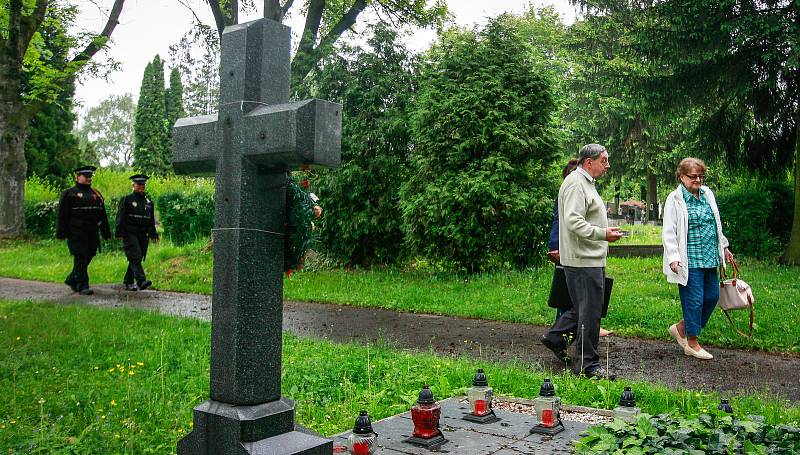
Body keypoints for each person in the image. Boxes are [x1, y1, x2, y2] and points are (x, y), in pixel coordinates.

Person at [541, 144, 623, 379]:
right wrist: (602, 234)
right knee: (590, 313)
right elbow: (574, 221)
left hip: (587, 257)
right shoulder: (577, 183)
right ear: (589, 162)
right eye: (604, 161)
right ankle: (588, 366)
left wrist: (604, 231)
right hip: (583, 260)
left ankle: (555, 337)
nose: (607, 166)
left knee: (584, 308)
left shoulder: (584, 182)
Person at [663, 158, 733, 360]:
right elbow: (669, 231)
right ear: (682, 176)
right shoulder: (675, 198)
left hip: (710, 256)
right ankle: (692, 343)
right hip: (689, 259)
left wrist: (724, 247)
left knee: (712, 297)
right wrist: (673, 258)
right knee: (694, 301)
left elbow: (715, 223)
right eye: (693, 176)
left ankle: (682, 327)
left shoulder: (707, 194)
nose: (698, 180)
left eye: (701, 176)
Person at [547, 159, 613, 337]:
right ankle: (560, 334)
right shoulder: (573, 188)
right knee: (568, 297)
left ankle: (563, 335)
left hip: (588, 252)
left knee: (586, 302)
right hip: (572, 252)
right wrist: (555, 245)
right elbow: (560, 220)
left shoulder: (587, 187)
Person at [56, 165, 112, 295]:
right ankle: (83, 285)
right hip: (76, 231)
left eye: (90, 176)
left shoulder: (96, 194)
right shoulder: (69, 193)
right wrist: (61, 232)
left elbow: (102, 214)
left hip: (92, 231)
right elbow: (62, 215)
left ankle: (72, 279)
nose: (89, 178)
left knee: (90, 253)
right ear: (78, 177)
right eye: (86, 176)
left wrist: (106, 231)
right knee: (80, 256)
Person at [116, 174, 159, 291]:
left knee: (137, 257)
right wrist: (119, 232)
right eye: (138, 184)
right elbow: (120, 217)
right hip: (129, 233)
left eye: (143, 184)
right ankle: (141, 281)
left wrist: (153, 233)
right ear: (133, 185)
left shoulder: (149, 202)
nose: (141, 187)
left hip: (143, 234)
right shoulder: (127, 199)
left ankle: (128, 281)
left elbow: (150, 220)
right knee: (135, 255)